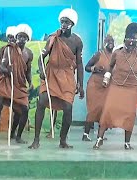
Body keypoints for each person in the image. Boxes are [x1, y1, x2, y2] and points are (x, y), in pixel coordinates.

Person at [28, 8, 84, 149]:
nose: (63, 24)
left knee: (68, 107)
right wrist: (41, 70)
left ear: (72, 24)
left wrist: (80, 84)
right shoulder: (53, 38)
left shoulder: (77, 41)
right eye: (62, 21)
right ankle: (36, 140)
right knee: (41, 102)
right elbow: (42, 57)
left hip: (67, 77)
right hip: (51, 74)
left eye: (66, 22)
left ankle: (63, 141)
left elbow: (79, 63)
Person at [93, 23, 137, 150]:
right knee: (108, 110)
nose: (132, 42)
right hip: (116, 86)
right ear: (125, 39)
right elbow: (110, 66)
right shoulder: (117, 53)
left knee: (129, 114)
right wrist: (106, 78)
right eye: (130, 39)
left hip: (132, 88)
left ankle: (127, 143)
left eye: (135, 39)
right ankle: (99, 139)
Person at [0, 24, 33, 144]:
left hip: (19, 84)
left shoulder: (29, 53)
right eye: (19, 36)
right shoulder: (8, 49)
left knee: (24, 109)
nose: (21, 39)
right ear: (16, 37)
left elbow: (28, 70)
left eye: (24, 37)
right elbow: (1, 65)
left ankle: (16, 135)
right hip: (5, 81)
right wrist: (6, 70)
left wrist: (30, 82)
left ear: (28, 39)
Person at [82, 34, 115, 141]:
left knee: (104, 110)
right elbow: (86, 67)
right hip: (95, 86)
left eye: (112, 41)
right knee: (93, 110)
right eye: (108, 41)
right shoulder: (99, 54)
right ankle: (85, 134)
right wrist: (94, 68)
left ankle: (100, 135)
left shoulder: (115, 56)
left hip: (107, 86)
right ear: (105, 43)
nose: (111, 43)